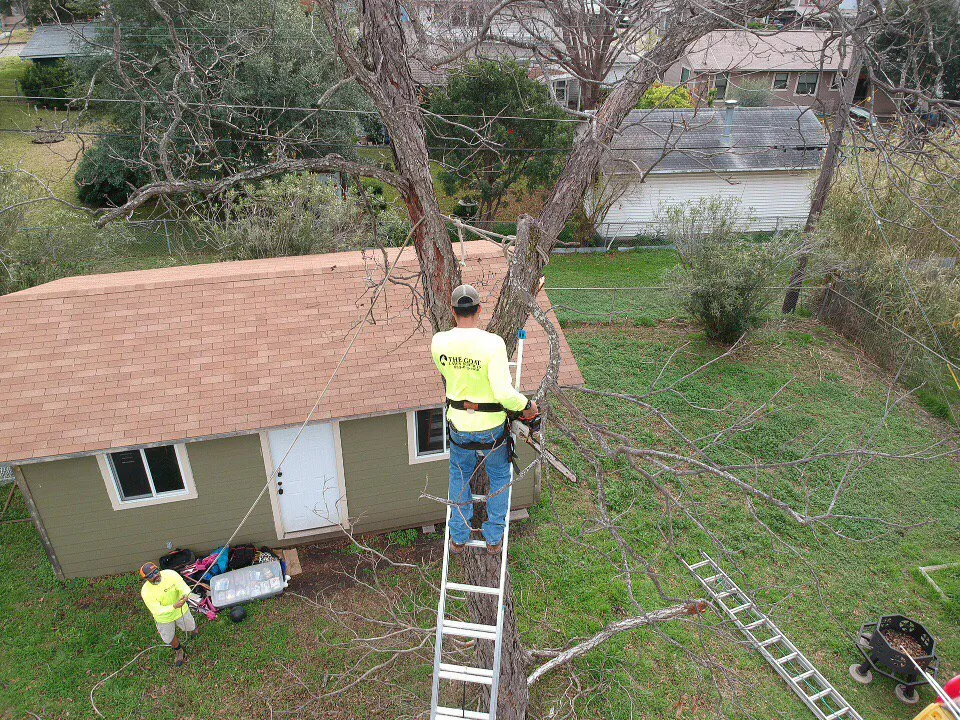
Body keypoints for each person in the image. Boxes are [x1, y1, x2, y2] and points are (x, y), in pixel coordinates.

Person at [431, 284, 538, 555]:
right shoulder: (493, 344)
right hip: (491, 427)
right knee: (500, 476)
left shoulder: (439, 342)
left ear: (453, 311)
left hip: (459, 425)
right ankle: (493, 538)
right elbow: (503, 393)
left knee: (460, 476)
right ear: (479, 310)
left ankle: (458, 536)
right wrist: (526, 406)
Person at [139, 561, 197, 666]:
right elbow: (157, 610)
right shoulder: (146, 592)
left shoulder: (170, 574)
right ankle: (179, 651)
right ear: (146, 579)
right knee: (169, 637)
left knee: (191, 626)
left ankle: (193, 631)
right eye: (150, 575)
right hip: (164, 618)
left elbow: (182, 586)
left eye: (156, 571)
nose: (155, 575)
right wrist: (174, 606)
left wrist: (185, 595)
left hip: (181, 610)